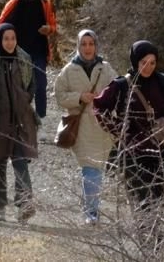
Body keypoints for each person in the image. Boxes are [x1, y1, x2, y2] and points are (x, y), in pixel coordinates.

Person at [94, 40, 164, 256]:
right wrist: (117, 130)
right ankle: (149, 252)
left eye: (152, 62)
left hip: (163, 156)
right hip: (133, 158)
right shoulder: (121, 86)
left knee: (158, 207)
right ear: (134, 61)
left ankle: (158, 252)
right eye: (143, 62)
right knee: (141, 207)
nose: (148, 67)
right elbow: (99, 107)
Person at [0, 23, 39, 222]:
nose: (10, 42)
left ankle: (25, 206)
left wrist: (23, 101)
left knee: (21, 163)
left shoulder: (25, 59)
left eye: (13, 38)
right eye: (6, 39)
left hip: (21, 121)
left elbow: (31, 87)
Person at [54, 29, 116, 224]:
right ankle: (92, 213)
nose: (88, 48)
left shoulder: (106, 69)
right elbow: (59, 96)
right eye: (84, 44)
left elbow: (119, 92)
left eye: (91, 44)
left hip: (101, 128)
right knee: (90, 169)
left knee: (95, 170)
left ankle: (91, 209)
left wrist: (103, 99)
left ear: (96, 45)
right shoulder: (68, 70)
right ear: (78, 46)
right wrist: (79, 97)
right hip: (80, 128)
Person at [0, 0, 57, 119]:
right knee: (20, 85)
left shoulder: (45, 4)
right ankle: (20, 115)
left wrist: (49, 29)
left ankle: (40, 117)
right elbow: (1, 25)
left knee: (41, 85)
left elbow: (53, 26)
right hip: (18, 52)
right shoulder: (14, 3)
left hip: (39, 51)